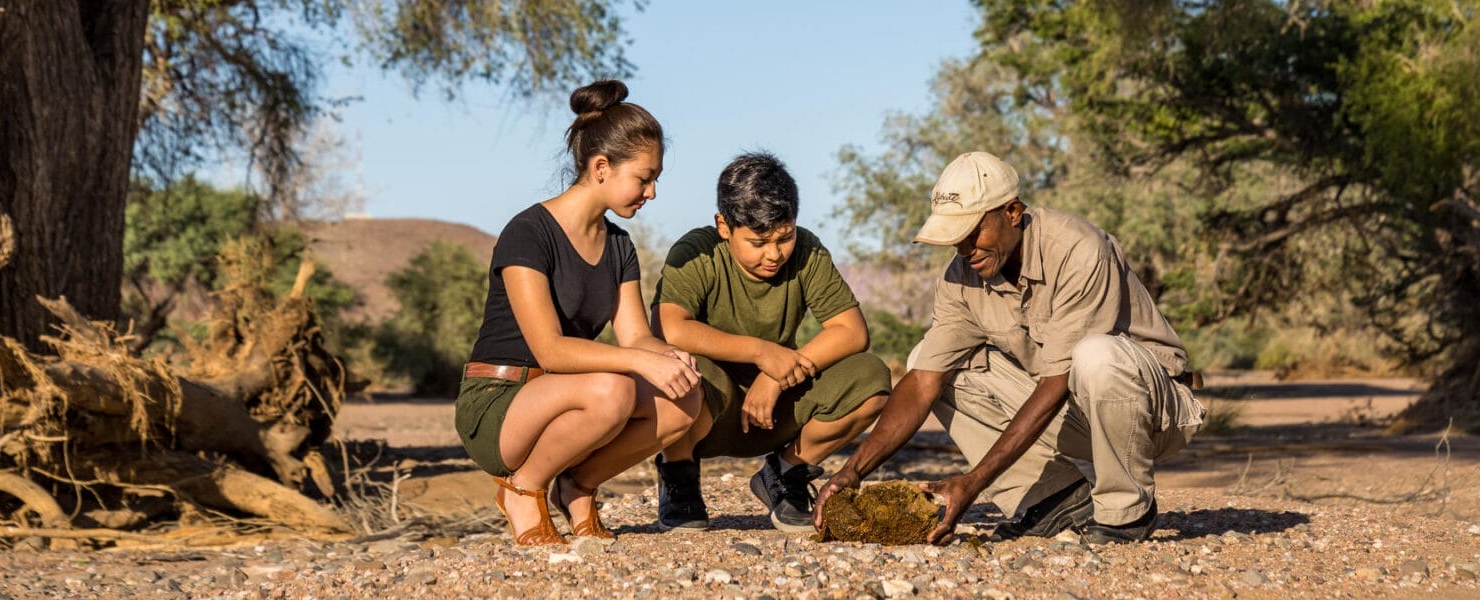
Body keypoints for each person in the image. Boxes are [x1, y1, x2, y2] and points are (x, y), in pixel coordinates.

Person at [814, 151, 1205, 545]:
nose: (964, 249)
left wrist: (974, 483)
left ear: (1012, 211)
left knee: (1096, 356)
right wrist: (853, 470)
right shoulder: (959, 279)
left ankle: (1126, 513)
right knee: (928, 363)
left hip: (1155, 416)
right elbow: (922, 382)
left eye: (972, 233)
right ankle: (1053, 499)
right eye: (955, 239)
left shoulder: (1077, 249)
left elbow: (1056, 381)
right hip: (1073, 414)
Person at [456, 80, 704, 546]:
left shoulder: (618, 245)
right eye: (644, 178)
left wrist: (667, 356)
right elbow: (549, 351)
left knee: (685, 398)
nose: (651, 193)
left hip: (572, 394)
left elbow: (635, 337)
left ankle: (577, 485)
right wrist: (638, 362)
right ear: (602, 167)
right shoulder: (528, 233)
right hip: (502, 400)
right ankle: (523, 487)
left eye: (656, 181)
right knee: (612, 390)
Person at [651, 152, 891, 533]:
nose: (774, 254)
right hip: (705, 409)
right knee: (678, 365)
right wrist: (763, 353)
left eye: (785, 237)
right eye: (758, 241)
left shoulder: (808, 251)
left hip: (775, 409)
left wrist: (776, 376)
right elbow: (672, 329)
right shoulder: (696, 251)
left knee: (871, 378)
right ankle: (679, 475)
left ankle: (785, 474)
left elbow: (852, 331)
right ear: (724, 226)